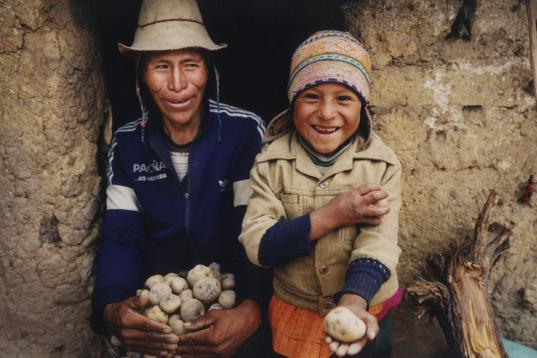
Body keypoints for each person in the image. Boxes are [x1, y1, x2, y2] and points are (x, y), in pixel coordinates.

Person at [90, 0, 271, 357]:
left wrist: (251, 312)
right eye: (161, 66)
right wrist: (111, 309)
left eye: (190, 65)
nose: (177, 84)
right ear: (142, 74)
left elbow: (256, 229)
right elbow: (121, 238)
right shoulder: (128, 144)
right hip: (160, 303)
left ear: (209, 71)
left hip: (231, 300)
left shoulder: (243, 133)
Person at [239, 30, 402, 358]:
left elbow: (379, 243)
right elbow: (258, 245)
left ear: (363, 105)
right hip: (296, 304)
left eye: (344, 98)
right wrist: (334, 214)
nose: (327, 112)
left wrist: (354, 301)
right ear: (292, 101)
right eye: (311, 96)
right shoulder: (271, 164)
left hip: (368, 303)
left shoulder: (381, 165)